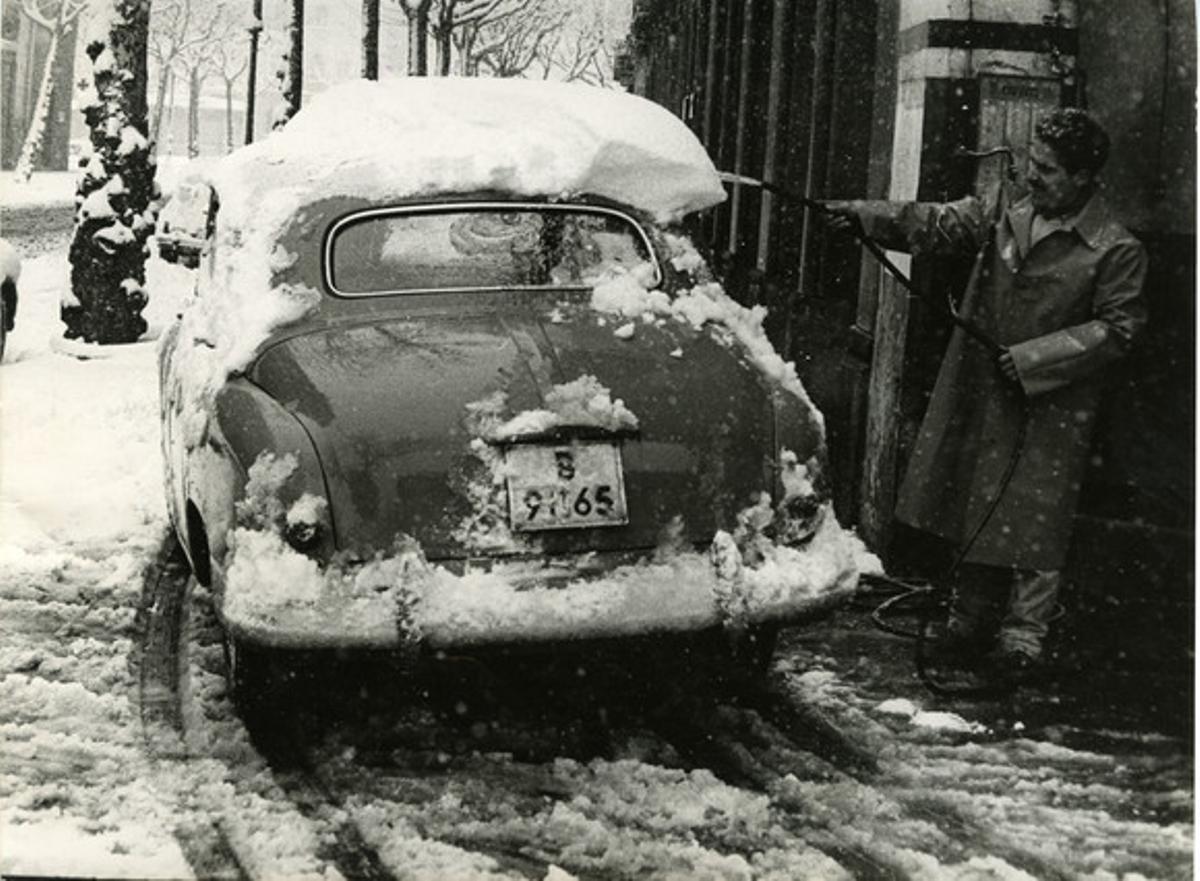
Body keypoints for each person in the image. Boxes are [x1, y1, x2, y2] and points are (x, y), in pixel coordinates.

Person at [824, 108, 1148, 686]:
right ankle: (968, 623)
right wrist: (867, 218)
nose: (1030, 176)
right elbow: (940, 224)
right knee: (980, 500)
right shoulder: (1006, 211)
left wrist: (1034, 358)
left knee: (1036, 518)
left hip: (1052, 404)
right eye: (1029, 163)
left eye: (1046, 169)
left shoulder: (1115, 248)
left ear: (1082, 177)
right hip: (985, 389)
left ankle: (1023, 640)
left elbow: (1118, 329)